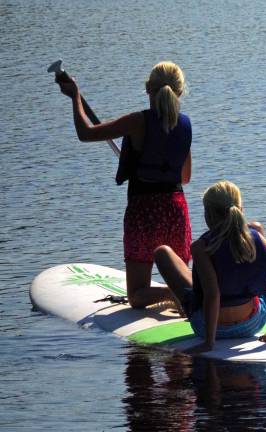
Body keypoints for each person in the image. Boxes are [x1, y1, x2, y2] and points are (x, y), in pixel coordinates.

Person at [56, 61, 192, 308]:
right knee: (182, 280)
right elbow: (184, 177)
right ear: (180, 92)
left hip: (144, 212)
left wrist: (75, 97)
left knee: (137, 296)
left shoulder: (137, 122)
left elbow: (86, 133)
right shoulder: (184, 125)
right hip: (175, 210)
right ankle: (182, 294)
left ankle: (170, 295)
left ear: (148, 89)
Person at [154, 180, 266, 354]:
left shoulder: (200, 247)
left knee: (162, 252)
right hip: (252, 324)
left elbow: (213, 295)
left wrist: (209, 343)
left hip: (209, 329)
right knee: (255, 228)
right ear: (240, 211)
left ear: (208, 215)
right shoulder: (258, 239)